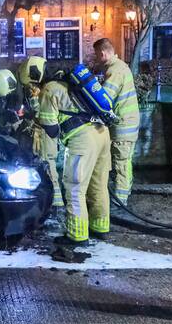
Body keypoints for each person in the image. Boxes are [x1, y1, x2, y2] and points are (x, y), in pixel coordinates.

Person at [54, 76, 111, 248]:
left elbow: (49, 127)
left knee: (74, 188)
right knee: (98, 184)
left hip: (83, 140)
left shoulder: (49, 90)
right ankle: (100, 228)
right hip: (102, 132)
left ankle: (77, 235)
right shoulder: (70, 85)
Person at [93, 38, 140, 205]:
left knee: (121, 163)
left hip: (123, 126)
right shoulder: (119, 67)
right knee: (125, 162)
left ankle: (121, 200)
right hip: (127, 124)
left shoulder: (115, 70)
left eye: (97, 54)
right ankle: (124, 193)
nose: (96, 58)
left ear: (103, 53)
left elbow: (104, 98)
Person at [17, 57, 65, 212]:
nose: (31, 87)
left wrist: (32, 101)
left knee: (48, 167)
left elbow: (41, 115)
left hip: (45, 135)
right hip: (45, 135)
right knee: (47, 166)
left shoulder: (46, 90)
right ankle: (52, 201)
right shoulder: (54, 85)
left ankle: (56, 203)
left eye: (31, 84)